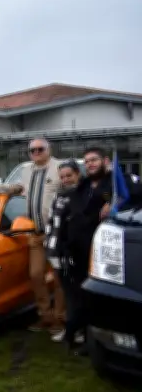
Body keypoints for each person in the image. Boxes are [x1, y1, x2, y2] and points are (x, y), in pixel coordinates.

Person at [58, 146, 142, 353]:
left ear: (105, 161)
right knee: (77, 295)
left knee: (95, 299)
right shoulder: (83, 186)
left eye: (94, 160)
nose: (90, 164)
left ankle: (91, 341)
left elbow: (131, 197)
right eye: (86, 162)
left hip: (100, 254)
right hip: (75, 250)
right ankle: (75, 332)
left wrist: (116, 201)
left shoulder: (113, 184)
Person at [0, 137, 61, 331]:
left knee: (60, 278)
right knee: (35, 275)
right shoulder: (27, 170)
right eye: (32, 150)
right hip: (35, 233)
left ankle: (61, 320)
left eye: (39, 149)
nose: (36, 153)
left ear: (48, 149)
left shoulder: (60, 168)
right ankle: (46, 316)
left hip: (58, 233)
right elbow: (17, 187)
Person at [44, 159, 81, 341]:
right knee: (66, 292)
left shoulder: (84, 195)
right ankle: (70, 329)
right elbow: (51, 221)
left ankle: (78, 331)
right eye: (62, 177)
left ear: (78, 175)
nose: (66, 179)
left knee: (76, 293)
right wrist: (48, 244)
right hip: (55, 251)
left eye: (69, 175)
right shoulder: (58, 196)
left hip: (73, 253)